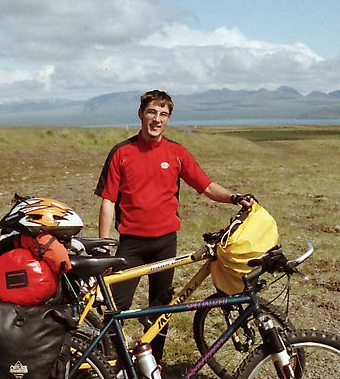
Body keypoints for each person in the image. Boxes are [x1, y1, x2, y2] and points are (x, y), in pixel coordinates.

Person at [94, 89, 251, 363]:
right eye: (152, 112)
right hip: (130, 244)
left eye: (163, 114)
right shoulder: (122, 153)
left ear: (168, 119)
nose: (157, 119)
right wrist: (105, 246)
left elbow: (206, 185)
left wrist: (235, 198)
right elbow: (108, 201)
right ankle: (107, 365)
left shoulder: (176, 152)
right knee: (116, 306)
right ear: (141, 114)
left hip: (165, 243)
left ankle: (153, 365)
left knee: (161, 308)